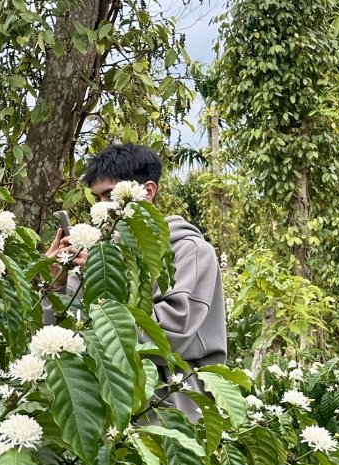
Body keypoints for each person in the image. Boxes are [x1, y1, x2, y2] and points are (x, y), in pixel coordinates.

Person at [49, 142, 228, 418]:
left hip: (172, 416)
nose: (103, 207)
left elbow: (167, 337)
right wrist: (57, 283)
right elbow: (64, 331)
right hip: (107, 415)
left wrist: (104, 282)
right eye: (97, 199)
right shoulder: (100, 254)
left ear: (148, 191)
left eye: (110, 195)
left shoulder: (190, 251)